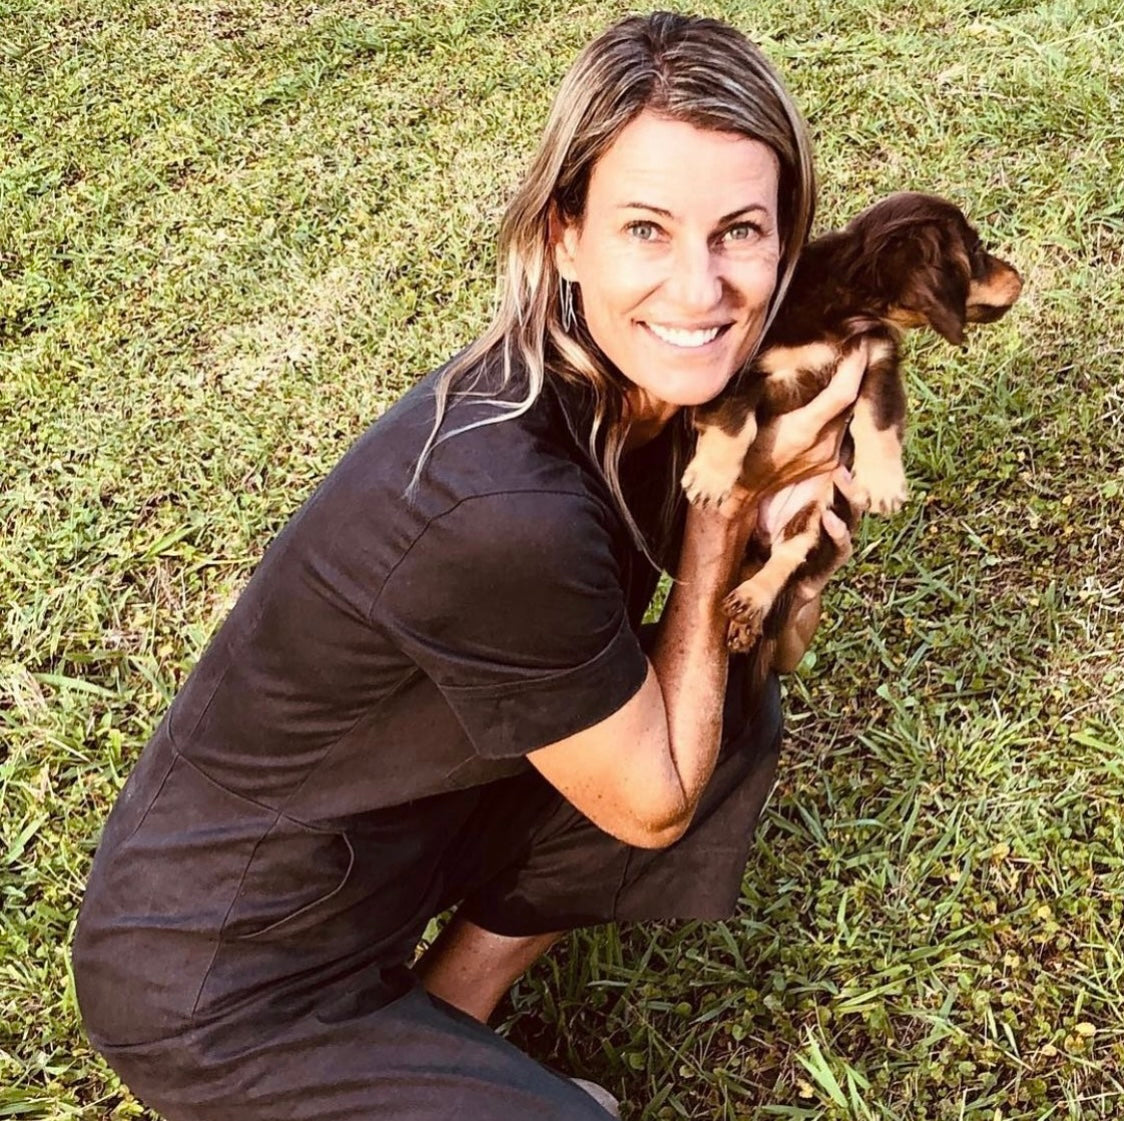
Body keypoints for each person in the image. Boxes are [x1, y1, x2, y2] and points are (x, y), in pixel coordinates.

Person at [72, 12, 866, 1120]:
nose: (698, 291)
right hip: (221, 982)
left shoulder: (649, 388)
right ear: (562, 234)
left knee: (722, 682)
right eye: (645, 229)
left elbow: (769, 628)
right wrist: (715, 524)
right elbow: (651, 805)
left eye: (739, 231)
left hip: (384, 852)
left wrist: (789, 532)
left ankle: (453, 1011)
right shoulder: (500, 505)